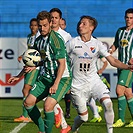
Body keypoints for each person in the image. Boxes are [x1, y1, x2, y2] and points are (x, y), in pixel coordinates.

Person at [66, 15, 133, 133]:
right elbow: (60, 60)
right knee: (84, 117)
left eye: (84, 24)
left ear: (91, 28)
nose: (80, 26)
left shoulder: (97, 44)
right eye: (79, 23)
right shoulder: (71, 43)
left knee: (108, 103)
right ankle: (74, 130)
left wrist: (128, 66)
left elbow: (113, 61)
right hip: (77, 84)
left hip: (94, 81)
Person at [109, 8, 133, 128]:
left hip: (130, 67)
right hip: (120, 65)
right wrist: (110, 50)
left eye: (131, 18)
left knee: (119, 90)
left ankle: (121, 119)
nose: (128, 20)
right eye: (127, 17)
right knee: (128, 93)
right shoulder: (120, 31)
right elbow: (116, 44)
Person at [49, 8, 72, 133]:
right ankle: (64, 125)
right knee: (42, 97)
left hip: (62, 72)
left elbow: (70, 55)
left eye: (56, 17)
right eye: (51, 17)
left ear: (60, 20)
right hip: (47, 71)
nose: (53, 20)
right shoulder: (42, 34)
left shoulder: (66, 36)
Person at [14, 18, 40, 122]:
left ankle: (25, 115)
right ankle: (28, 113)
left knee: (26, 89)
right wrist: (22, 55)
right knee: (27, 90)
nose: (33, 27)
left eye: (35, 25)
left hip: (35, 67)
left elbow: (36, 51)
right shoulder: (29, 37)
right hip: (28, 65)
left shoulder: (38, 37)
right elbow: (30, 51)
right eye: (32, 25)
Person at [59, 17, 72, 119]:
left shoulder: (67, 36)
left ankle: (68, 111)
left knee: (69, 91)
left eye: (63, 25)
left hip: (65, 67)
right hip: (52, 69)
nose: (61, 26)